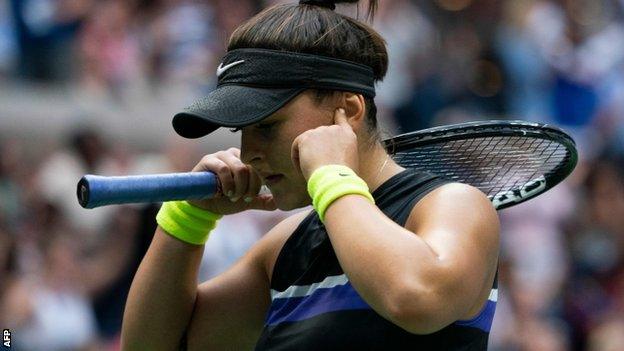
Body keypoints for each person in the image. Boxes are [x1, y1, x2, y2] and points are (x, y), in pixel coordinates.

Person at [120, 0, 500, 350]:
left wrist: (332, 177)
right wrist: (188, 219)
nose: (249, 152)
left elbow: (417, 298)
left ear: (349, 111)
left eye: (267, 127)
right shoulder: (284, 246)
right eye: (242, 131)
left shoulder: (454, 205)